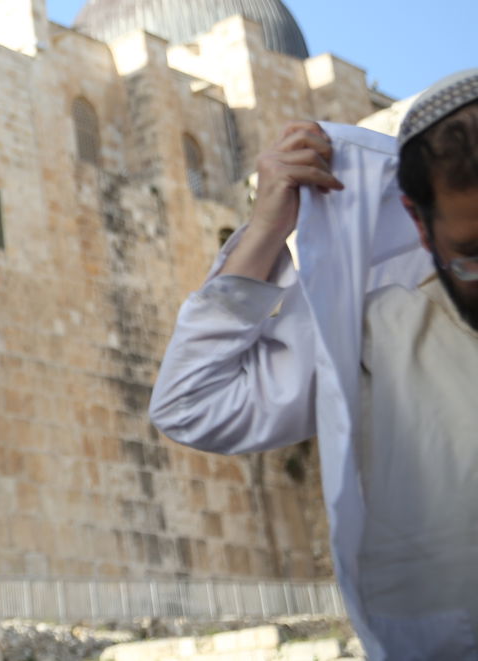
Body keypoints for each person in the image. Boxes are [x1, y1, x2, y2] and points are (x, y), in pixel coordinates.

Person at [150, 68, 478, 661]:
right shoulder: (384, 336)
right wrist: (267, 228)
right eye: (472, 251)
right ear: (421, 226)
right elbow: (192, 402)